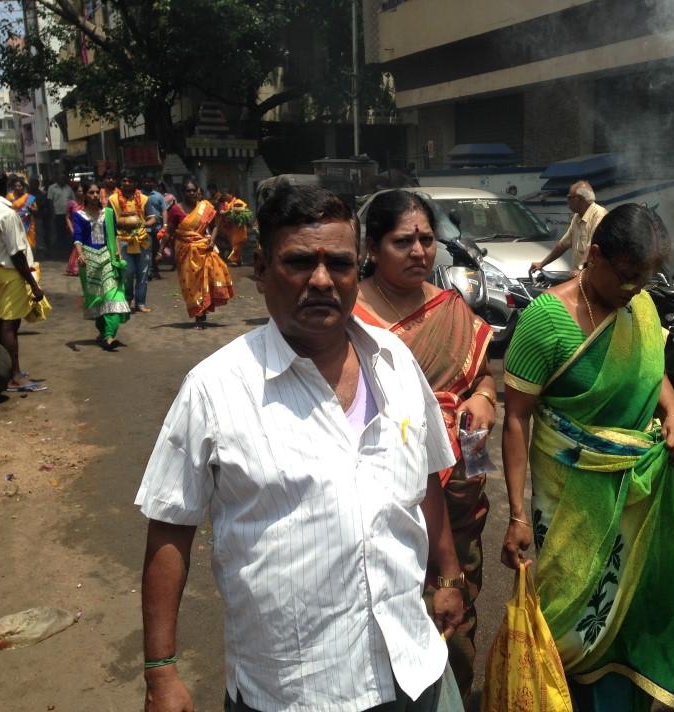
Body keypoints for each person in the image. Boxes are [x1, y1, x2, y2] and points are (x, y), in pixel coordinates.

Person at [136, 182, 465, 712]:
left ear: (357, 270)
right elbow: (170, 527)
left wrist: (447, 575)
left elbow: (425, 476)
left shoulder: (396, 365)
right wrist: (160, 671)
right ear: (262, 271)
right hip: (295, 689)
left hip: (412, 666)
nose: (320, 280)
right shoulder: (216, 388)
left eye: (338, 263)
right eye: (298, 262)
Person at [500, 203, 674, 711]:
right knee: (564, 621)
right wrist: (517, 514)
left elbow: (653, 370)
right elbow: (516, 419)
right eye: (626, 275)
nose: (635, 288)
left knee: (628, 613)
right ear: (594, 255)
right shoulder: (546, 321)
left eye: (646, 277)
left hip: (635, 500)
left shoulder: (641, 309)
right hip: (567, 501)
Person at [353, 189, 495, 705]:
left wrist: (484, 398)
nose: (419, 251)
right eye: (403, 241)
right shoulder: (349, 315)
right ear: (371, 247)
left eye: (427, 239)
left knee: (455, 611)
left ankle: (454, 692)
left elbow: (482, 378)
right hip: (382, 495)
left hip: (456, 493)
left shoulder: (451, 307)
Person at [0, 170, 50, 392]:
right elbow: (16, 253)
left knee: (5, 321)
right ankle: (15, 376)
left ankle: (10, 370)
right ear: (6, 185)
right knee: (10, 323)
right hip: (10, 271)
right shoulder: (6, 212)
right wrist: (33, 284)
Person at [71, 181, 130, 350]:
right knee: (97, 299)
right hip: (89, 261)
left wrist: (118, 253)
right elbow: (77, 237)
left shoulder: (109, 213)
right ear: (85, 195)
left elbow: (115, 235)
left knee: (114, 297)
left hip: (108, 258)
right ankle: (104, 332)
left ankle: (109, 336)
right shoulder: (79, 215)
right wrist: (80, 254)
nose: (95, 195)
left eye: (97, 192)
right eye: (91, 192)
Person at [168, 178, 234, 328]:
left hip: (203, 248)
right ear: (182, 192)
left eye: (193, 190)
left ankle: (200, 313)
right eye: (188, 190)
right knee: (191, 284)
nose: (191, 193)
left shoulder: (205, 207)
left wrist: (212, 241)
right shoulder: (176, 210)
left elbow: (215, 225)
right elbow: (169, 232)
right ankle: (198, 311)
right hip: (184, 251)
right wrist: (160, 251)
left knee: (205, 279)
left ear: (197, 191)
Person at [529, 180, 607, 274]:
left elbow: (591, 247)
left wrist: (579, 269)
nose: (567, 201)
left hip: (593, 277)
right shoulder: (577, 217)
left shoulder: (599, 215)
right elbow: (563, 244)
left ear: (580, 199)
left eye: (569, 197)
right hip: (580, 276)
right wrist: (542, 264)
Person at [108, 172, 155, 313]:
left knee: (143, 272)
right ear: (120, 183)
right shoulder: (113, 199)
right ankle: (128, 299)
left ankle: (140, 303)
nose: (127, 183)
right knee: (127, 272)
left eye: (130, 180)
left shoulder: (145, 199)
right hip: (122, 240)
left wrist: (142, 225)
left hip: (142, 240)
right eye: (124, 180)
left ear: (136, 183)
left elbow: (152, 218)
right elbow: (109, 220)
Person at [140, 176, 167, 280]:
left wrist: (165, 225)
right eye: (145, 181)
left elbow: (164, 210)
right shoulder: (139, 196)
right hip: (145, 228)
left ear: (153, 183)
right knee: (148, 249)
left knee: (156, 250)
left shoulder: (158, 196)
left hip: (158, 228)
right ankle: (149, 271)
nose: (147, 183)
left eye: (149, 181)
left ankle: (155, 270)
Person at [216, 189, 251, 266]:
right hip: (231, 228)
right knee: (234, 244)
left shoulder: (238, 201)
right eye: (224, 195)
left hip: (239, 228)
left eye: (226, 194)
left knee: (237, 244)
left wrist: (230, 211)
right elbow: (222, 212)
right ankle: (238, 260)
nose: (225, 196)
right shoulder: (226, 203)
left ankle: (234, 260)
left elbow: (242, 209)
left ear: (231, 194)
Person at [7, 176, 38, 249]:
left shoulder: (29, 197)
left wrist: (31, 208)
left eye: (19, 186)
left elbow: (36, 209)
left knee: (29, 243)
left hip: (27, 223)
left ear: (23, 187)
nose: (17, 188)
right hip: (14, 222)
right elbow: (6, 208)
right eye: (15, 186)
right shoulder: (10, 196)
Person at [47, 173, 75, 255]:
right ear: (57, 179)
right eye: (61, 178)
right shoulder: (52, 188)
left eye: (64, 178)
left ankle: (67, 248)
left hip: (67, 215)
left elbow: (73, 200)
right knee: (59, 232)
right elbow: (50, 201)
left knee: (68, 231)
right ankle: (59, 249)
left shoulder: (69, 188)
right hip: (57, 214)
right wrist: (52, 213)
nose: (62, 180)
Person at [63, 183, 84, 276]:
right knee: (77, 247)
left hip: (86, 228)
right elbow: (67, 217)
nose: (81, 192)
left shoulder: (86, 203)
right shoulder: (71, 203)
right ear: (75, 192)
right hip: (76, 228)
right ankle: (74, 268)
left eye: (82, 191)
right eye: (79, 191)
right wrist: (71, 229)